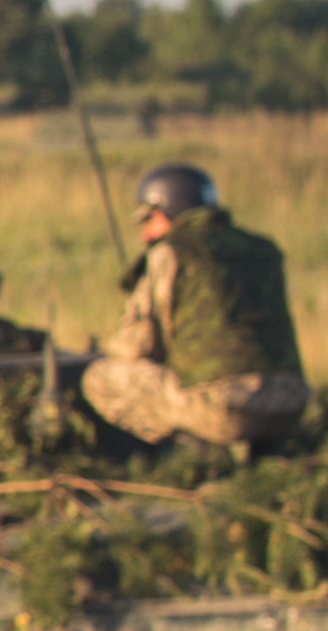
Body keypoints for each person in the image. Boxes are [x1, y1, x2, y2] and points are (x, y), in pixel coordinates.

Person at [80, 163, 310, 455]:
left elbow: (135, 346)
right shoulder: (263, 249)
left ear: (169, 209)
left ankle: (193, 449)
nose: (145, 234)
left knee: (100, 377)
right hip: (292, 401)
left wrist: (104, 352)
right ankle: (266, 451)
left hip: (220, 408)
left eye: (149, 219)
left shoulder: (171, 252)